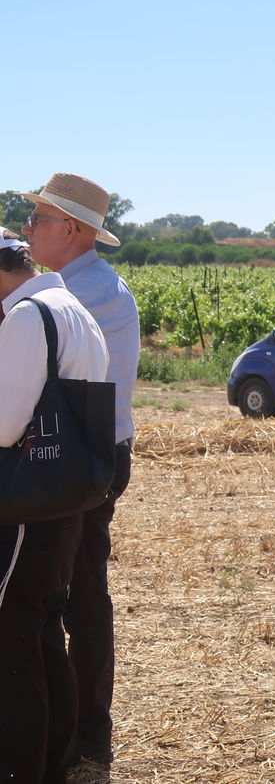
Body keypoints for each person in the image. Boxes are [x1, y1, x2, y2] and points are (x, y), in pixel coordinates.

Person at [17, 172, 140, 769]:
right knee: (69, 592)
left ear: (70, 228)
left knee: (76, 597)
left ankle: (86, 738)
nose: (26, 230)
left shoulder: (75, 294)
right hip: (84, 451)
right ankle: (78, 736)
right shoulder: (84, 284)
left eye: (37, 220)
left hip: (82, 458)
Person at [0, 229, 110, 782]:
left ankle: (20, 769)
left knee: (12, 644)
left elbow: (4, 427)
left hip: (26, 504)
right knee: (43, 631)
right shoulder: (70, 306)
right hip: (66, 497)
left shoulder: (27, 317)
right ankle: (56, 763)